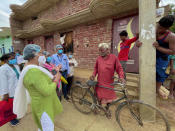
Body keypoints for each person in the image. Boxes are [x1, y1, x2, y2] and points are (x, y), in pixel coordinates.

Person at [13, 44, 63, 131]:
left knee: (42, 127)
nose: (42, 55)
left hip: (41, 104)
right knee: (47, 128)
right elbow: (47, 90)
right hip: (43, 106)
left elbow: (41, 81)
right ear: (34, 55)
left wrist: (55, 73)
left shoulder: (31, 68)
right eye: (40, 53)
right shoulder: (33, 72)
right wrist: (56, 80)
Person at [136, 15, 175, 96]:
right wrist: (138, 43)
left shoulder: (171, 36)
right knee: (146, 73)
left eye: (162, 28)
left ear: (168, 28)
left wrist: (158, 47)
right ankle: (144, 88)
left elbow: (172, 52)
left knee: (160, 75)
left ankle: (157, 89)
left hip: (162, 59)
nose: (159, 29)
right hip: (150, 57)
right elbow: (140, 39)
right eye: (158, 26)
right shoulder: (153, 29)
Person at [90, 43, 124, 118]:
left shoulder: (114, 58)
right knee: (99, 97)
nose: (100, 52)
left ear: (108, 50)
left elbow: (119, 68)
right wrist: (93, 75)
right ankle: (98, 107)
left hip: (109, 83)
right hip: (100, 82)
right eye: (99, 50)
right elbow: (95, 68)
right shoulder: (98, 58)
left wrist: (121, 76)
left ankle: (107, 109)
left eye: (102, 50)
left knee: (109, 99)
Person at [0, 53, 20, 126]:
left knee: (15, 104)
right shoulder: (3, 69)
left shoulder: (16, 66)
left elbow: (18, 77)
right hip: (10, 91)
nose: (14, 60)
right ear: (6, 60)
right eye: (11, 59)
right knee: (10, 106)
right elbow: (3, 82)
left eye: (14, 58)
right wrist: (5, 93)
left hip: (17, 89)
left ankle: (14, 115)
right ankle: (11, 119)